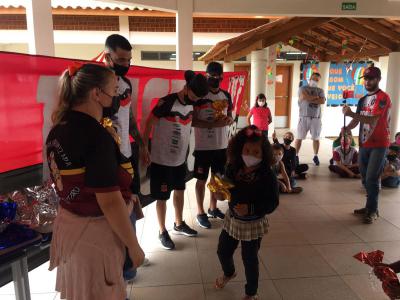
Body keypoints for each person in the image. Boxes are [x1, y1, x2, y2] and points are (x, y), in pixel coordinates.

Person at [46, 63, 144, 300]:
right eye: (113, 89)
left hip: (71, 228)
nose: (116, 96)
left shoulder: (59, 128)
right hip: (94, 236)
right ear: (96, 94)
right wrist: (134, 246)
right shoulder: (95, 135)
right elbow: (109, 202)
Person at [142, 71, 209, 250]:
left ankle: (179, 223)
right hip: (161, 160)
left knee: (180, 190)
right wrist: (143, 148)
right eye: (193, 96)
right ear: (186, 88)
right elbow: (148, 122)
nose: (194, 101)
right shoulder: (167, 102)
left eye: (198, 99)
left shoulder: (191, 105)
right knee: (162, 197)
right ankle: (162, 231)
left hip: (180, 159)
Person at [104, 34, 149, 281]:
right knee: (115, 213)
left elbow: (128, 118)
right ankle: (123, 265)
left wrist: (142, 144)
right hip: (107, 159)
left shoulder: (127, 83)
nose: (126, 64)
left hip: (127, 155)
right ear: (107, 57)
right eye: (121, 59)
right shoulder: (97, 84)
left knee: (131, 205)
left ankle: (131, 259)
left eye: (129, 60)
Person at [215, 125, 279, 300]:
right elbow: (225, 188)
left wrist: (251, 208)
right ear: (239, 148)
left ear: (263, 154)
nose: (250, 155)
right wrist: (220, 194)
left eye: (256, 152)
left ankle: (251, 293)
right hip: (232, 220)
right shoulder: (233, 167)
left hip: (253, 223)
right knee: (223, 251)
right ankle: (229, 273)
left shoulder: (267, 175)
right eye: (247, 150)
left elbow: (273, 202)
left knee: (249, 259)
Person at [342, 66, 392, 224]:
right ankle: (368, 205)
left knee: (372, 177)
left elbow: (373, 120)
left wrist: (350, 113)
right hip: (364, 143)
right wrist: (347, 128)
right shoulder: (362, 100)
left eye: (371, 78)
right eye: (366, 78)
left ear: (378, 80)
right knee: (365, 177)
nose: (368, 81)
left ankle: (373, 210)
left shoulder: (383, 97)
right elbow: (358, 119)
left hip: (379, 143)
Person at [192, 62, 234, 229]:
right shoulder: (199, 96)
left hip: (221, 145)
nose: (214, 79)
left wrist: (228, 120)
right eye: (211, 76)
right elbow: (192, 120)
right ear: (206, 75)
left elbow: (230, 116)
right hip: (203, 146)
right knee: (201, 180)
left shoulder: (226, 96)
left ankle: (213, 208)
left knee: (217, 180)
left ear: (222, 77)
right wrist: (211, 125)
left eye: (217, 76)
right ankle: (200, 212)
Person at [294, 72, 326, 166]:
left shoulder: (320, 90)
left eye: (317, 79)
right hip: (303, 117)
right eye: (313, 78)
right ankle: (296, 155)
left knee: (316, 138)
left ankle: (315, 156)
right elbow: (304, 96)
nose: (314, 81)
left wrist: (310, 98)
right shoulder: (302, 88)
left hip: (316, 118)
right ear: (310, 78)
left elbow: (322, 101)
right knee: (299, 137)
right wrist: (316, 98)